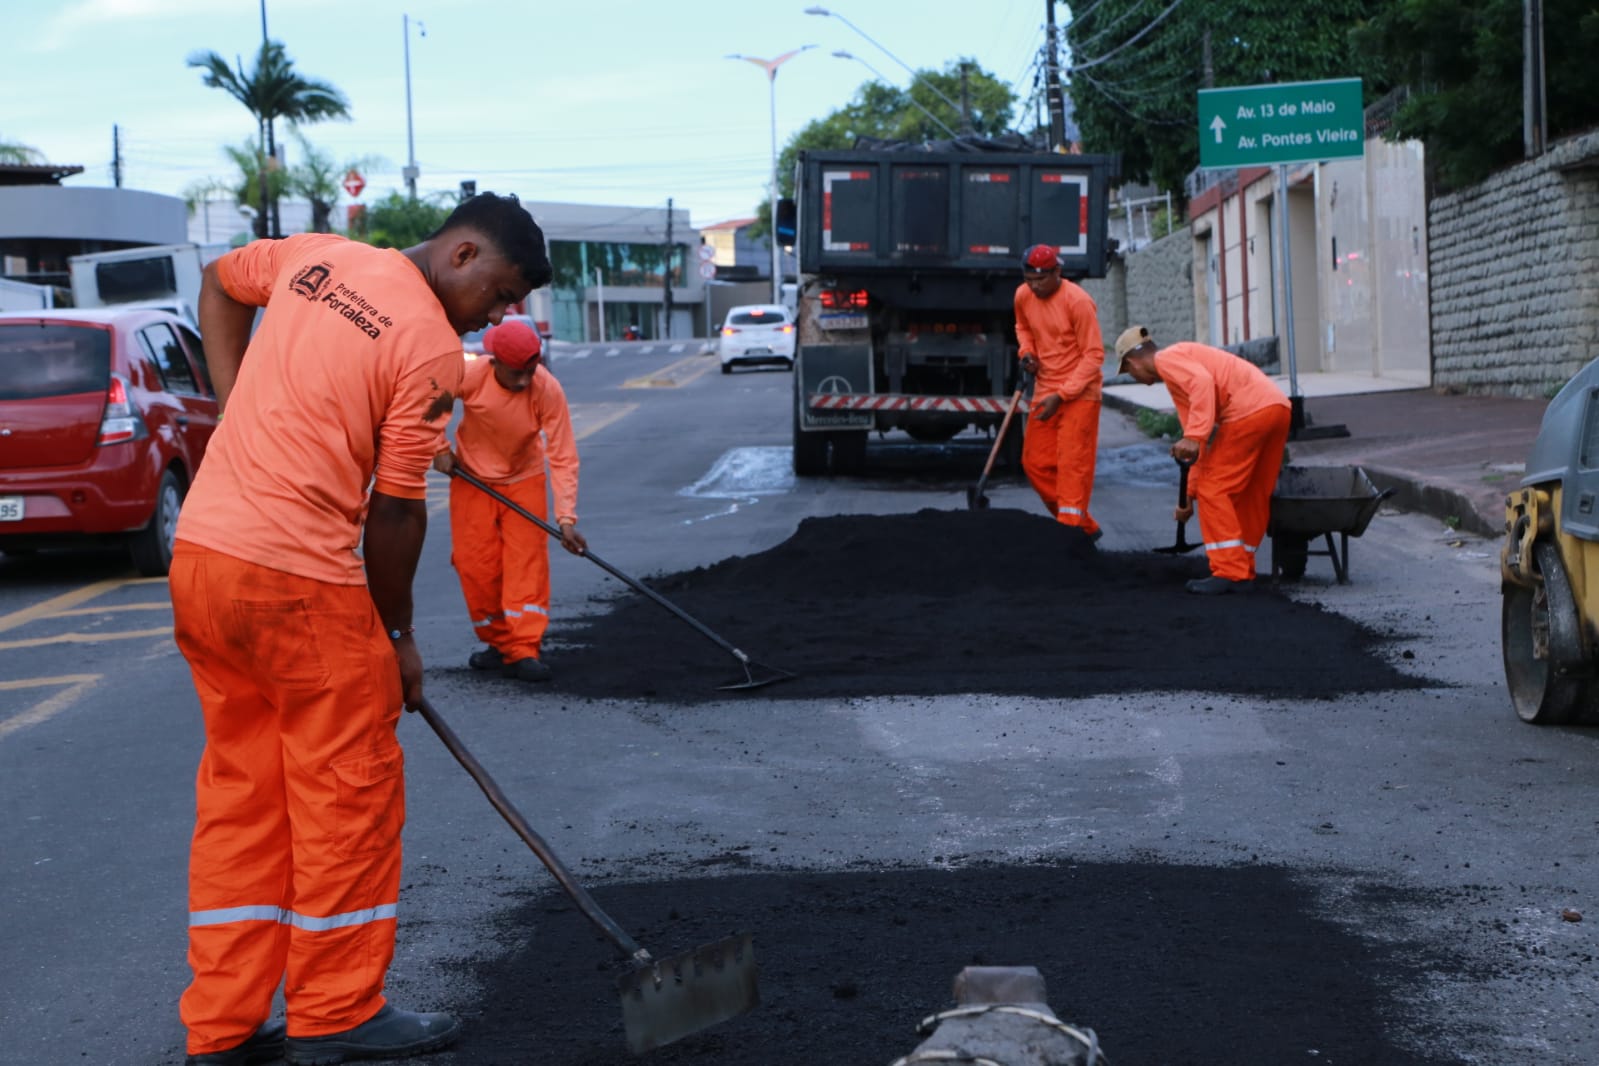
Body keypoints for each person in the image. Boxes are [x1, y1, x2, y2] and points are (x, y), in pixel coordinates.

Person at [169, 192, 551, 1065]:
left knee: (244, 794)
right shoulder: (429, 349)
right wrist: (398, 637)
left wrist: (232, 411)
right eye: (499, 294)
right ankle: (338, 1010)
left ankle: (222, 1025)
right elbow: (394, 513)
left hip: (202, 561)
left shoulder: (319, 257)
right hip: (299, 581)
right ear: (461, 255)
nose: (498, 316)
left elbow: (220, 285)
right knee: (347, 791)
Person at [432, 319, 586, 683]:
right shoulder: (469, 375)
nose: (523, 381)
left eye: (530, 372)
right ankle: (498, 642)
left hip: (524, 480)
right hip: (472, 479)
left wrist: (566, 519)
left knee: (526, 565)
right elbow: (430, 404)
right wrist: (439, 447)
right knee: (475, 564)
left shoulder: (546, 389)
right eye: (516, 373)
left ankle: (523, 648)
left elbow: (563, 455)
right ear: (494, 361)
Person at [1113, 325, 1292, 595]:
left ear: (1133, 360)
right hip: (1276, 408)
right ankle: (1243, 567)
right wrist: (1188, 496)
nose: (1133, 377)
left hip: (1247, 412)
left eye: (1128, 371)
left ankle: (1230, 571)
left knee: (1214, 488)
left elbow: (1202, 386)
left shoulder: (1167, 359)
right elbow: (1195, 448)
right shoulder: (1179, 371)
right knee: (1250, 492)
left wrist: (1194, 437)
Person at [1013, 243, 1105, 539]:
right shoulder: (1023, 295)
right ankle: (1085, 528)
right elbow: (1023, 327)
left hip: (1080, 396)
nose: (1034, 287)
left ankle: (1070, 535)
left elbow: (1094, 355)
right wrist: (1027, 353)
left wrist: (1063, 395)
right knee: (1035, 464)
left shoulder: (1078, 302)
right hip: (1046, 391)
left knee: (1071, 469)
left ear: (1058, 272)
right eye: (1029, 280)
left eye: (1040, 280)